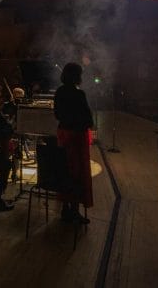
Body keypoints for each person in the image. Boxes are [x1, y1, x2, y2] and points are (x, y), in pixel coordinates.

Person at [54, 62, 94, 223]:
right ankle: (74, 211)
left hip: (63, 134)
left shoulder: (59, 91)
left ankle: (65, 208)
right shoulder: (79, 94)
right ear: (77, 76)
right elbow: (88, 120)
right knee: (78, 173)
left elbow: (57, 115)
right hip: (77, 137)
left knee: (65, 170)